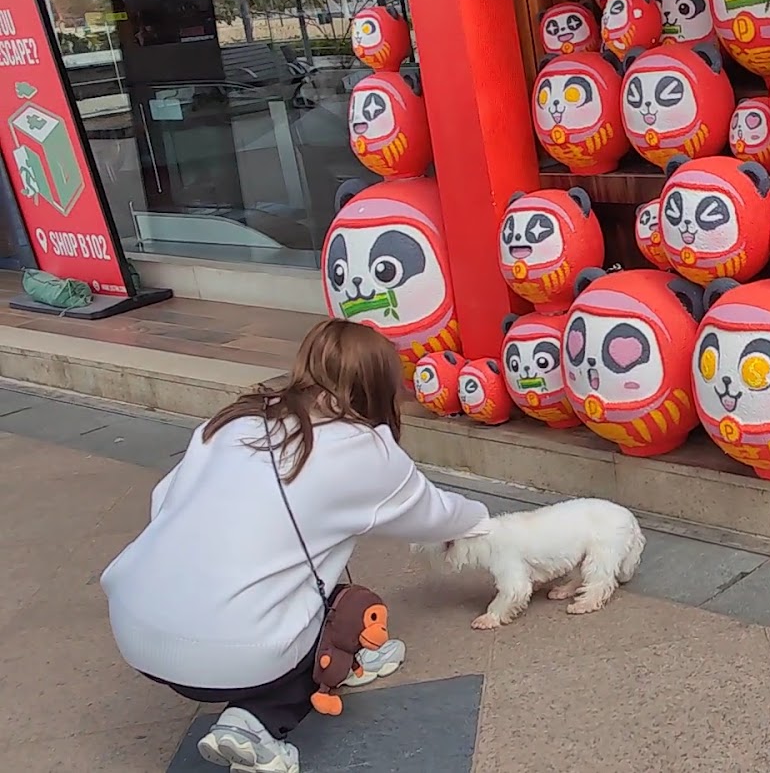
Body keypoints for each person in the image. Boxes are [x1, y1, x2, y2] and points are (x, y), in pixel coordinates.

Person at [101, 320, 491, 773]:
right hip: (233, 654)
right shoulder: (366, 448)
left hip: (133, 626)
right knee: (325, 620)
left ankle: (334, 656)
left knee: (305, 560)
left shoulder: (234, 420)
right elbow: (434, 515)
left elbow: (162, 503)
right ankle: (257, 721)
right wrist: (487, 523)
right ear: (383, 387)